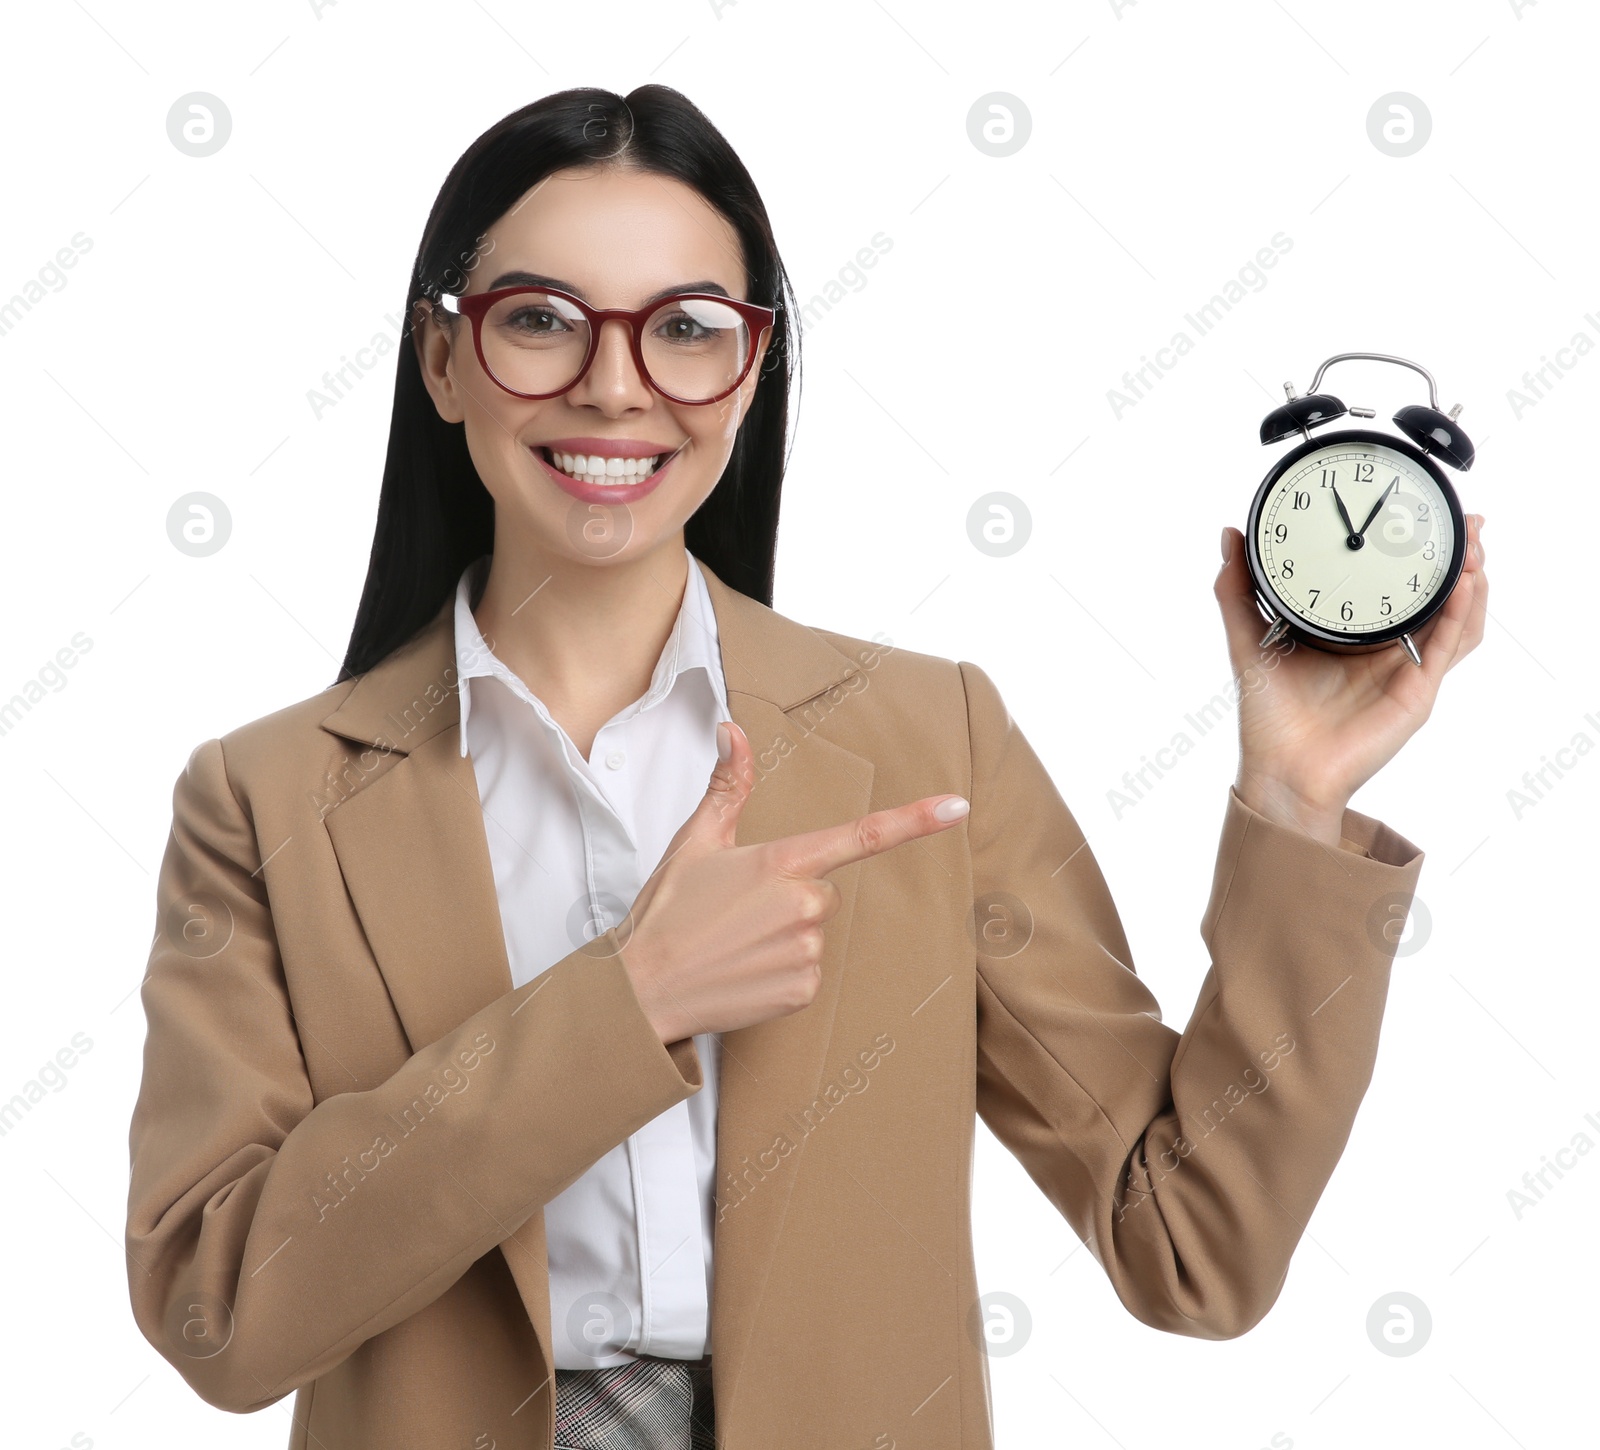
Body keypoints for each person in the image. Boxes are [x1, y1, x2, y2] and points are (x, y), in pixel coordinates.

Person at [124, 86, 1488, 1450]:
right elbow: (217, 1310)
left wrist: (1297, 799)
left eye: (686, 330)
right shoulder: (266, 798)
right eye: (539, 319)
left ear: (754, 365)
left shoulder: (922, 737)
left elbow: (1195, 1244)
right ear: (443, 359)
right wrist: (630, 1003)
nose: (615, 383)